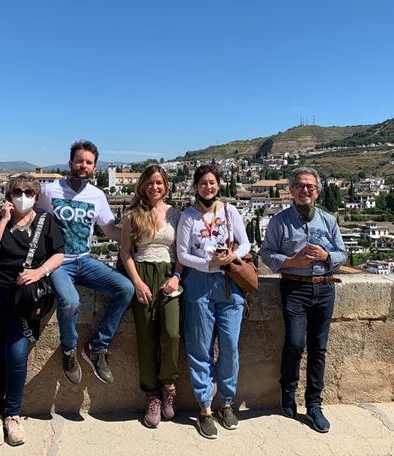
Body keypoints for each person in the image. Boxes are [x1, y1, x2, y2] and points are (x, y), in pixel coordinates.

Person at [0, 174, 64, 447]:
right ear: (8, 195)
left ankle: (12, 414)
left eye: (28, 191)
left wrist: (39, 271)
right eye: (17, 191)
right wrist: (3, 220)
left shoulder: (46, 222)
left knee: (16, 354)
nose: (22, 195)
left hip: (23, 298)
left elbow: (58, 254)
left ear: (37, 197)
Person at [36, 140, 135, 385]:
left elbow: (110, 230)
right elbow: (30, 218)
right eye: (79, 161)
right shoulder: (50, 191)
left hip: (85, 260)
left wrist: (138, 233)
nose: (83, 166)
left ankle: (97, 347)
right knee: (70, 301)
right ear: (70, 163)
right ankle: (69, 350)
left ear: (95, 167)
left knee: (126, 289)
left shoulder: (97, 196)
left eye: (88, 162)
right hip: (58, 263)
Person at [259, 167, 347, 433]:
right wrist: (290, 261)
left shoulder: (329, 221)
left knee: (319, 348)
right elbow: (266, 252)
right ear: (291, 191)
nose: (305, 189)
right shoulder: (279, 221)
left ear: (317, 191)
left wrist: (326, 257)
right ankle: (288, 392)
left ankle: (314, 404)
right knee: (296, 343)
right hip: (294, 289)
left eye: (309, 186)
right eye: (299, 185)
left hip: (324, 288)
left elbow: (343, 252)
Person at [176, 164, 251, 440]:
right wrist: (209, 264)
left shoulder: (230, 211)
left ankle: (227, 403)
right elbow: (183, 255)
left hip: (229, 285)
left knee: (230, 345)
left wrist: (231, 257)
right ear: (196, 186)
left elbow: (245, 244)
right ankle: (205, 408)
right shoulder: (188, 217)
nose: (208, 187)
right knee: (199, 346)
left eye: (212, 182)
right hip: (199, 283)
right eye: (203, 183)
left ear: (218, 185)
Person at [118, 164, 183, 428]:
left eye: (159, 182)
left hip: (169, 274)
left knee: (171, 333)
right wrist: (137, 282)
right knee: (145, 336)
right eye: (150, 183)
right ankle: (152, 396)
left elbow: (181, 251)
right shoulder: (133, 215)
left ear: (166, 185)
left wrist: (177, 277)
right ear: (143, 185)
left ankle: (168, 385)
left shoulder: (176, 215)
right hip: (142, 274)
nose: (154, 187)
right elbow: (125, 253)